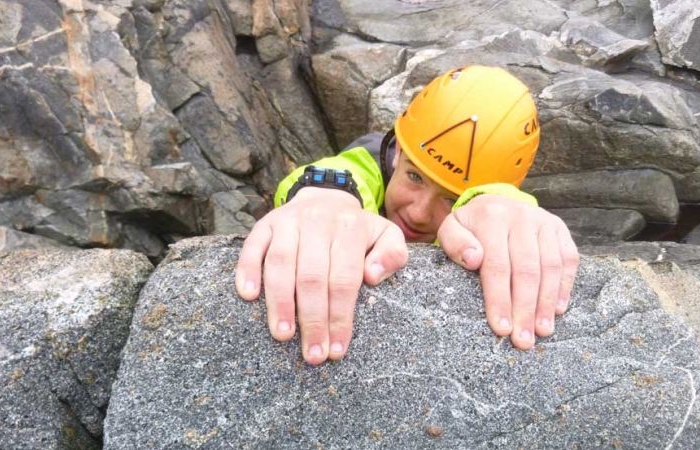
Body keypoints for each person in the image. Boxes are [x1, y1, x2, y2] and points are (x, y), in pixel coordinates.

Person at [235, 65, 579, 365]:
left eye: (451, 198)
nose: (417, 213)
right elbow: (349, 170)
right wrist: (324, 196)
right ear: (398, 151)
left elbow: (493, 200)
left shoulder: (474, 192)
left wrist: (503, 205)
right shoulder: (373, 158)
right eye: (415, 177)